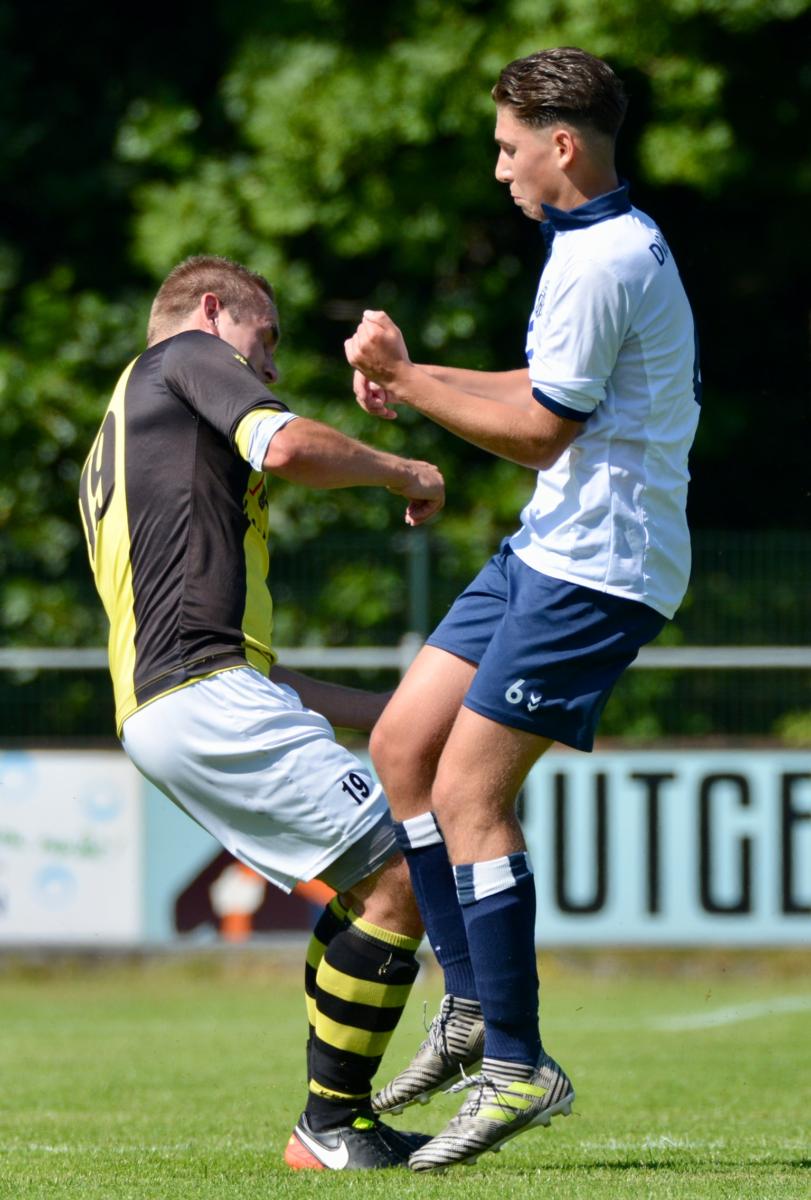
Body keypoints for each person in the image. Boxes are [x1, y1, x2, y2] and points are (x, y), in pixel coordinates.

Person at [344, 46, 701, 1171]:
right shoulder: (584, 248)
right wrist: (420, 377)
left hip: (602, 565)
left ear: (559, 144)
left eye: (506, 148)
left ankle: (515, 1064)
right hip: (545, 544)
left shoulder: (602, 261)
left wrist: (406, 382)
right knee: (402, 745)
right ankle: (467, 1011)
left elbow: (542, 430)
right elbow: (543, 393)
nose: (497, 170)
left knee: (465, 789)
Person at [78, 254, 447, 1170]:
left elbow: (258, 677)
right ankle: (330, 1124)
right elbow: (282, 445)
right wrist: (402, 470)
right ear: (211, 312)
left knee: (380, 885)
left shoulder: (127, 434)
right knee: (403, 869)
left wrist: (408, 709)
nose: (269, 369)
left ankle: (335, 1121)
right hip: (201, 700)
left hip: (176, 704)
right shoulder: (183, 359)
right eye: (265, 339)